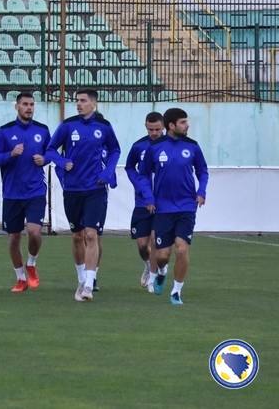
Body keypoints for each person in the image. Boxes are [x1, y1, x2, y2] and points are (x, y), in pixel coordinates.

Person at [46, 88, 121, 302]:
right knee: (77, 236)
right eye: (77, 101)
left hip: (95, 189)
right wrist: (61, 162)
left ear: (93, 104)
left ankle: (89, 283)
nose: (78, 104)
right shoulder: (68, 125)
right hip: (72, 190)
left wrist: (107, 172)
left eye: (83, 101)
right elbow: (51, 149)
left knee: (91, 234)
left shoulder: (104, 127)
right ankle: (81, 277)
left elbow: (115, 150)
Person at [136, 107, 208, 306]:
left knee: (182, 250)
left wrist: (201, 191)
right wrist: (148, 197)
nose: (187, 125)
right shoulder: (155, 147)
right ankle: (161, 272)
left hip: (186, 207)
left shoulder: (192, 146)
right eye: (183, 122)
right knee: (162, 256)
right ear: (171, 125)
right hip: (163, 209)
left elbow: (202, 171)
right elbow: (142, 175)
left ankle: (176, 292)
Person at [0, 92, 49, 293]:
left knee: (34, 231)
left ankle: (31, 263)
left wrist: (45, 159)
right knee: (14, 238)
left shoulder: (42, 130)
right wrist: (11, 154)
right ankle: (20, 278)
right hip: (12, 193)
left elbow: (53, 153)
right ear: (17, 107)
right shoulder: (5, 132)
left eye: (31, 104)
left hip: (36, 191)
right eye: (25, 104)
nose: (29, 108)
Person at [124, 111, 164, 290]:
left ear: (164, 126)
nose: (154, 133)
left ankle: (153, 279)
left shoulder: (170, 145)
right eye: (150, 129)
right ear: (145, 127)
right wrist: (139, 185)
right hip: (142, 202)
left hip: (163, 202)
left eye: (157, 129)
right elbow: (130, 167)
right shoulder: (139, 146)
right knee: (142, 245)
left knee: (155, 240)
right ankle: (148, 266)